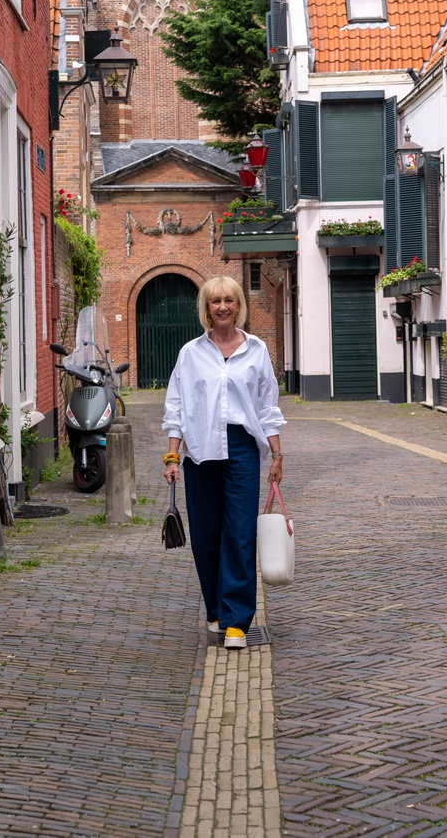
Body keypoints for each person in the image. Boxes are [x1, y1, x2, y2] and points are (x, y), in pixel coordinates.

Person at [162, 276, 286, 650]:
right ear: (206, 308)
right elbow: (176, 406)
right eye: (215, 301)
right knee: (205, 535)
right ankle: (215, 609)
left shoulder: (257, 350)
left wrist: (277, 454)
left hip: (243, 449)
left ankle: (236, 621)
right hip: (199, 449)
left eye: (229, 300)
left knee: (240, 532)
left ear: (238, 306)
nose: (222, 307)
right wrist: (172, 455)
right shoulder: (191, 353)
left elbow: (267, 406)